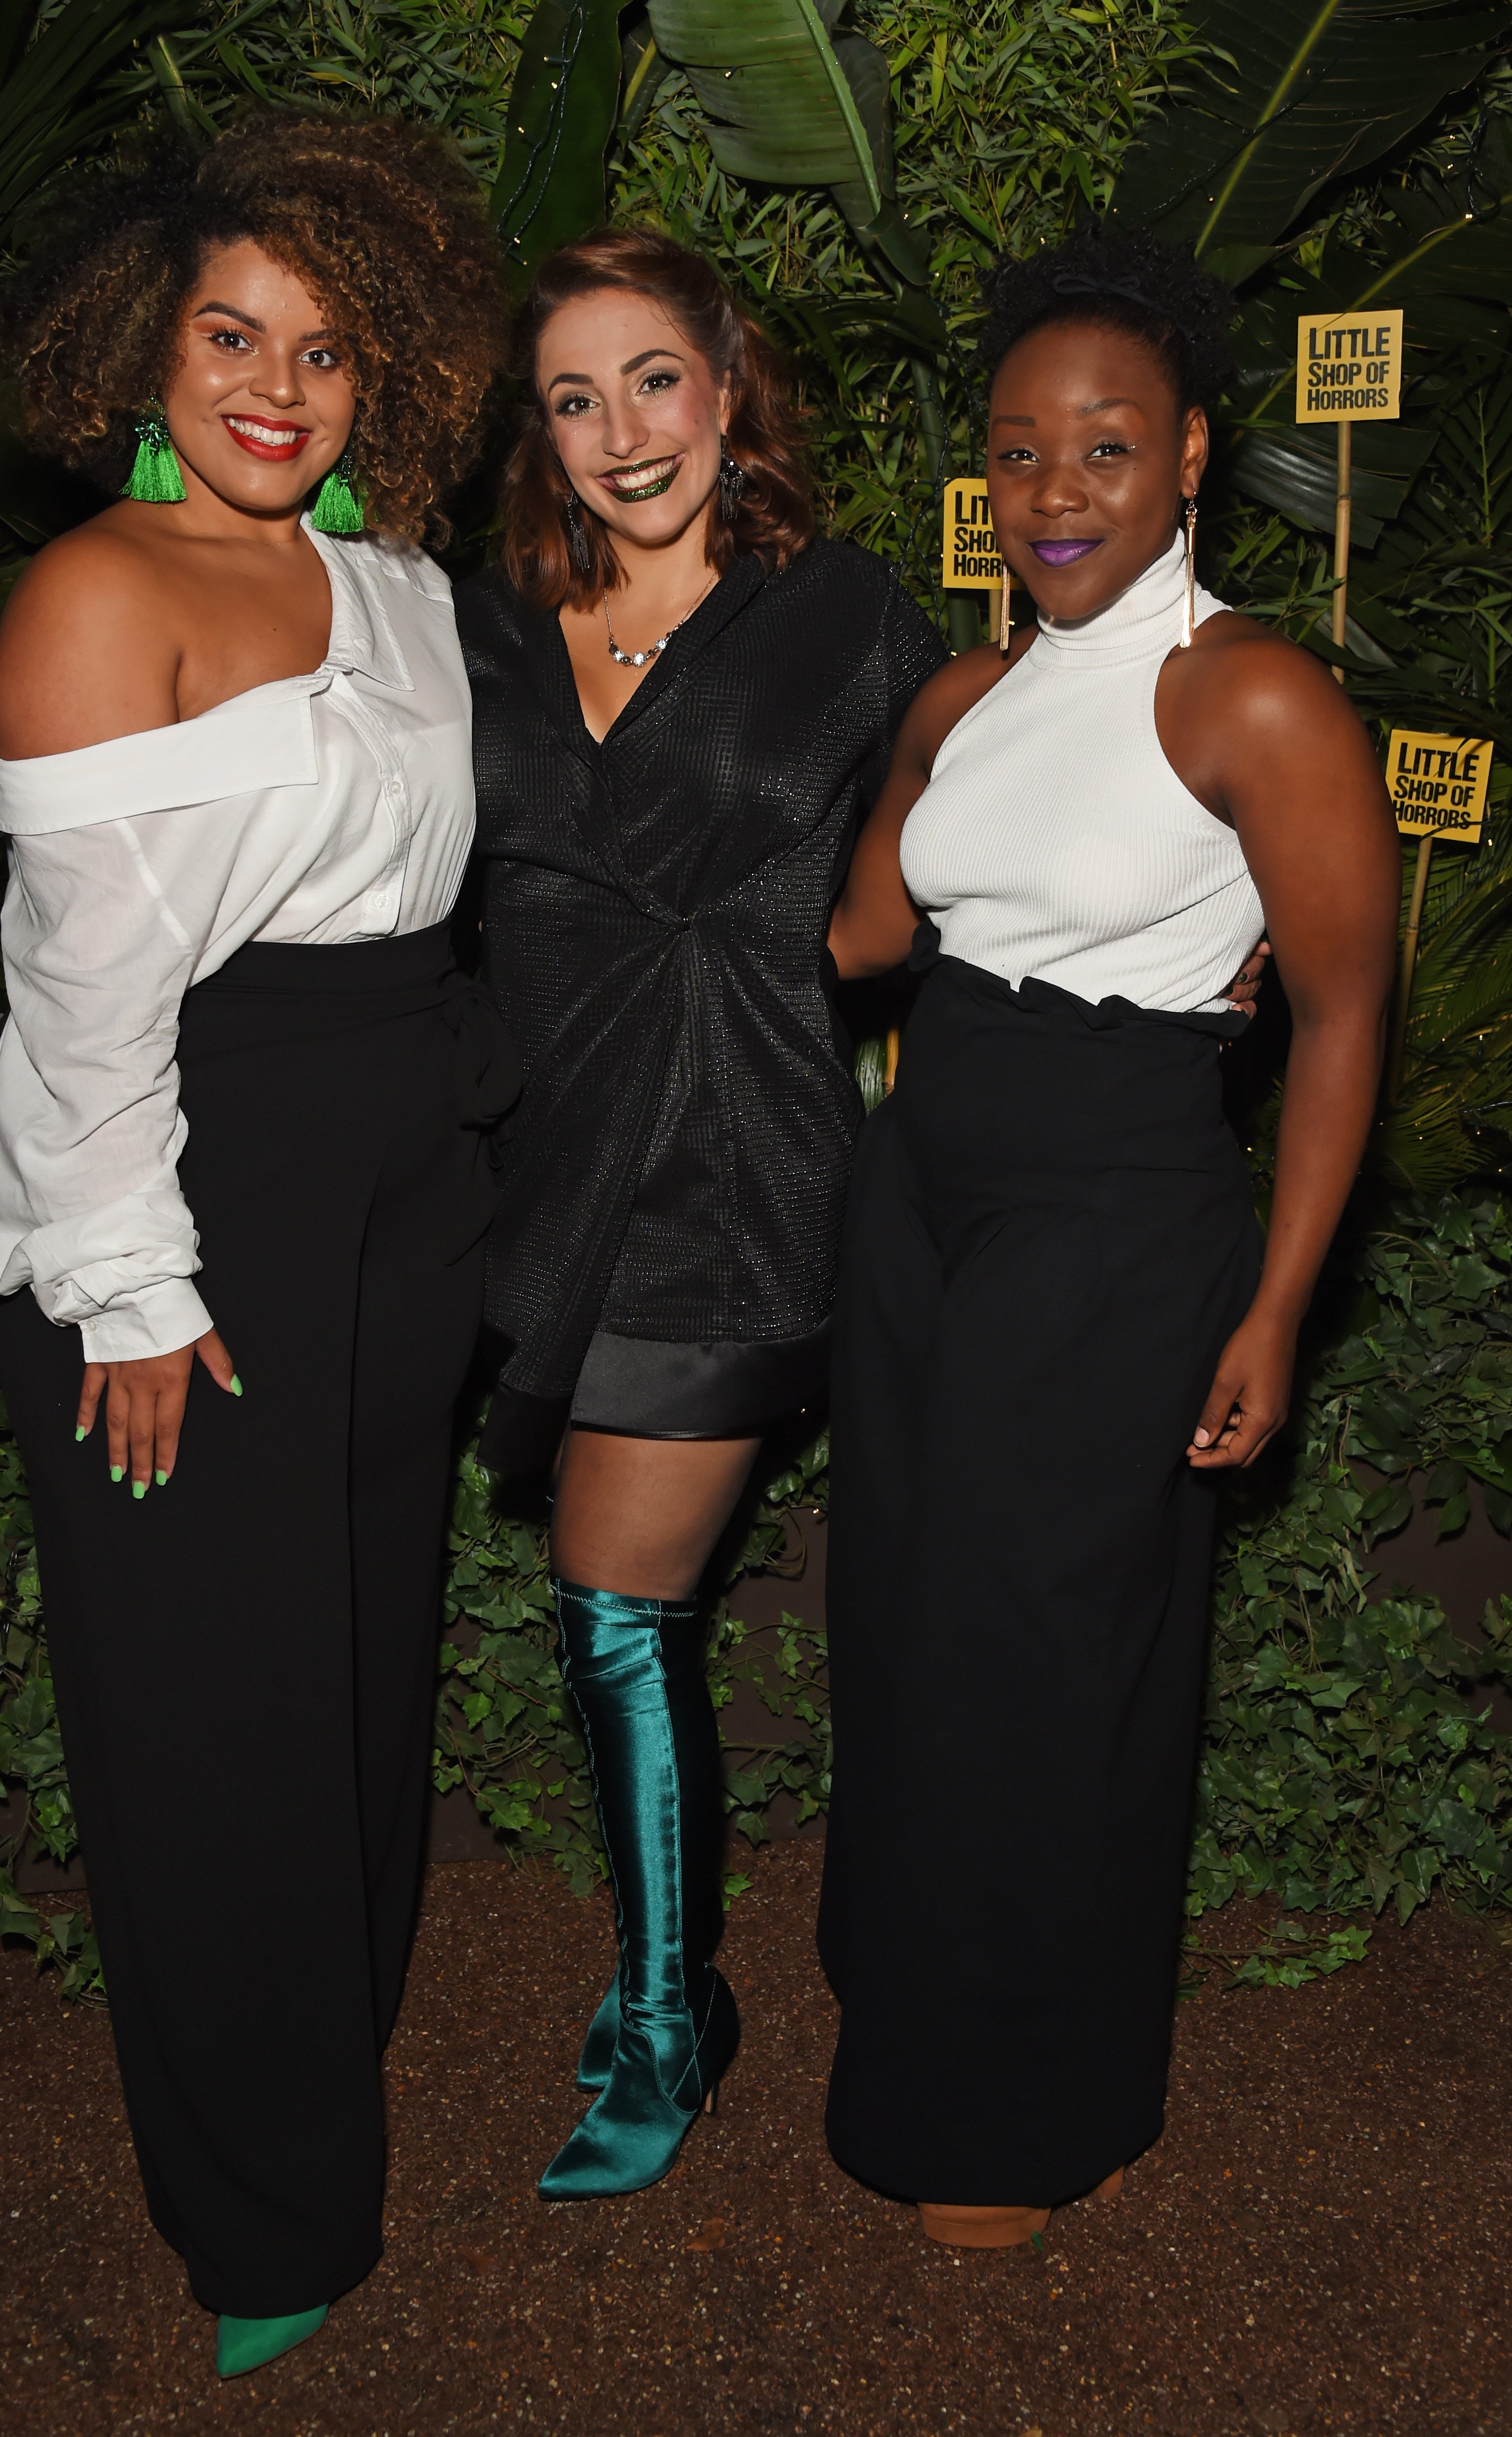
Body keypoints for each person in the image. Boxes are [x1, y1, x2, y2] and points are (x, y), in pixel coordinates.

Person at [0, 114, 513, 2373]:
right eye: (230, 334)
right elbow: (81, 990)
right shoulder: (100, 589)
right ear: (150, 342)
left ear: (384, 368)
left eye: (321, 345)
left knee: (360, 1672)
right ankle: (259, 2202)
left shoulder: (391, 583)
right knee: (210, 1722)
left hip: (404, 1203)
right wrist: (128, 1279)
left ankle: (331, 2038)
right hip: (192, 1210)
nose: (274, 386)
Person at [818, 224, 1398, 2250]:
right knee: (900, 1619)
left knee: (1034, 1664)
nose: (1055, 489)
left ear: (1186, 459)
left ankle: (1023, 2105)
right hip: (928, 1185)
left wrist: (1277, 1301)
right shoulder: (977, 688)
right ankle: (909, 2022)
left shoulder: (1244, 691)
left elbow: (1339, 1018)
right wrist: (907, 747)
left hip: (1108, 1196)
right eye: (1017, 451)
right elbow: (868, 941)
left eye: (1103, 447)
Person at [454, 229, 948, 2199]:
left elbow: (976, 826)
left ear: (728, 388)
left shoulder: (842, 617)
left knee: (613, 1608)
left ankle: (671, 2011)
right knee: (605, 1616)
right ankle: (667, 1974)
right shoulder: (483, 621)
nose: (619, 433)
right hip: (533, 1162)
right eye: (573, 398)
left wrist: (1199, 955)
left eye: (652, 379)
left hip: (736, 1157)